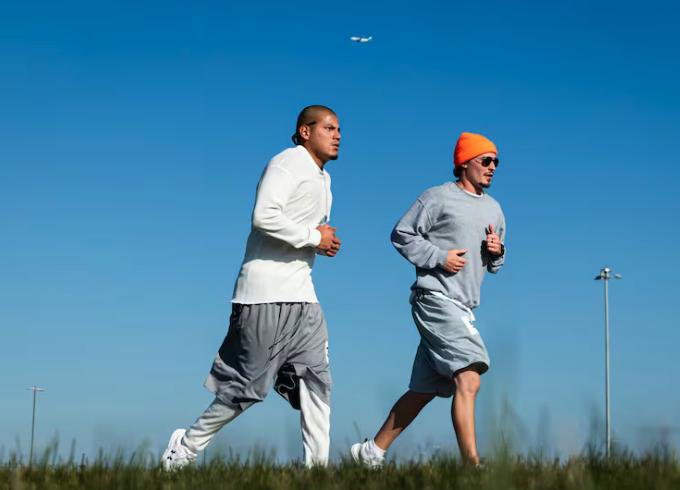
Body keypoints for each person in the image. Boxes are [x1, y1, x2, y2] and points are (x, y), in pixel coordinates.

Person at [161, 105, 342, 469]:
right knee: (246, 390)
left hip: (303, 296)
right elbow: (263, 216)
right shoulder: (287, 163)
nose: (337, 135)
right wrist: (312, 237)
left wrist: (321, 241)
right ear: (305, 132)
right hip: (264, 295)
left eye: (339, 130)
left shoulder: (324, 178)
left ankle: (316, 471)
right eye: (328, 128)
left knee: (317, 380)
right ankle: (186, 446)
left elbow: (305, 234)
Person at [351, 132, 506, 466]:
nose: (493, 167)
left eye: (496, 161)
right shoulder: (438, 197)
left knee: (423, 390)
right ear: (464, 163)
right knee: (470, 375)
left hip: (463, 306)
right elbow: (401, 234)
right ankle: (472, 465)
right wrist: (439, 257)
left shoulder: (494, 209)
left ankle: (371, 452)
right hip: (434, 298)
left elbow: (495, 264)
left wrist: (498, 252)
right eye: (486, 160)